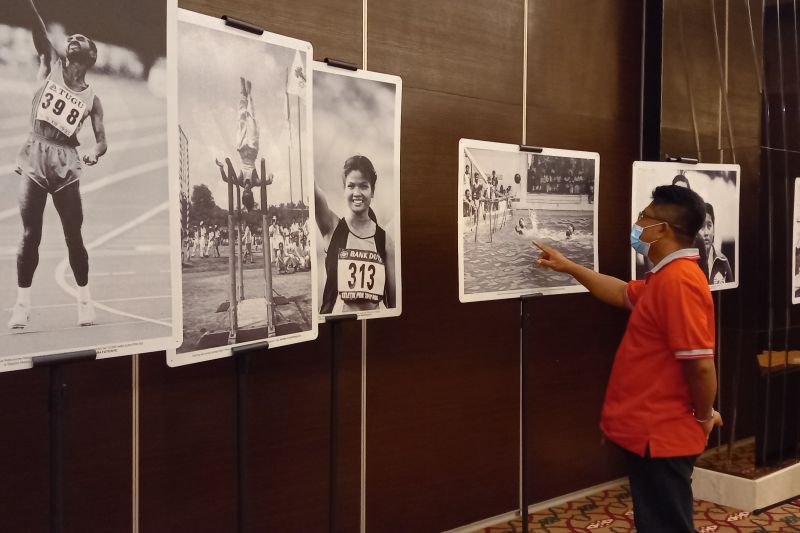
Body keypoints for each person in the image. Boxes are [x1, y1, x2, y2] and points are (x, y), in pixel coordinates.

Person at [534, 185, 722, 533]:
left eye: (643, 217)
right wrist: (569, 266)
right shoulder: (665, 277)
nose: (637, 223)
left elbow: (700, 363)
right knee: (657, 520)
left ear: (663, 229)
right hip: (651, 431)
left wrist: (704, 415)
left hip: (662, 433)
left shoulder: (679, 282)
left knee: (666, 524)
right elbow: (622, 292)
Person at [9, 0, 108, 329]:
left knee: (73, 236)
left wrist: (96, 151)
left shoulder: (92, 98)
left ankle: (84, 300)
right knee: (29, 235)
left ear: (89, 56)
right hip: (36, 154)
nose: (73, 38)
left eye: (80, 38)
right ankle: (22, 304)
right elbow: (38, 31)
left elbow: (102, 139)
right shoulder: (51, 62)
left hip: (66, 163)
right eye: (71, 37)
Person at [315, 155, 396, 313]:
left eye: (364, 186)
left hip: (373, 327)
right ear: (344, 190)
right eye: (351, 186)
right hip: (339, 327)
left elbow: (393, 304)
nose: (357, 193)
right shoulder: (332, 227)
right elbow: (312, 191)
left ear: (372, 191)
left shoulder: (385, 240)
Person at [701, 203, 733, 285]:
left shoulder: (723, 261)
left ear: (714, 229)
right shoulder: (689, 263)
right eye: (701, 227)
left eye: (709, 226)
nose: (706, 233)